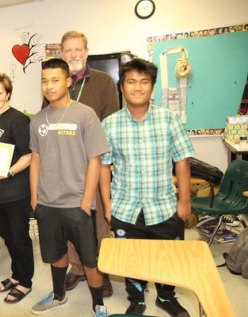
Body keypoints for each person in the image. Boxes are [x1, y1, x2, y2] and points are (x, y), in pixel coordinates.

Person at [99, 58, 194, 317]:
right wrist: (108, 205)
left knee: (169, 257)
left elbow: (182, 161)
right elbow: (104, 167)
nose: (137, 87)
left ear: (152, 87)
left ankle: (166, 297)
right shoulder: (109, 124)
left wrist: (184, 201)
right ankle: (137, 299)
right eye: (131, 82)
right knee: (132, 258)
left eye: (144, 82)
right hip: (125, 206)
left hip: (163, 206)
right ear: (122, 87)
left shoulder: (169, 120)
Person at [29, 58, 109, 316]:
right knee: (55, 253)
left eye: (54, 80)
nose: (49, 86)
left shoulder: (85, 114)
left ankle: (99, 305)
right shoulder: (37, 120)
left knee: (89, 259)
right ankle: (59, 294)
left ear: (67, 81)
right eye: (44, 80)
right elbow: (36, 159)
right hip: (47, 203)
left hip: (77, 204)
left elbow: (94, 160)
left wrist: (86, 203)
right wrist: (34, 199)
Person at [43, 31, 119, 295]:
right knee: (70, 218)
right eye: (68, 51)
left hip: (96, 163)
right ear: (61, 54)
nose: (73, 55)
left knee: (98, 222)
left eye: (78, 50)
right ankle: (77, 268)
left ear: (86, 52)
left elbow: (111, 123)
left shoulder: (103, 81)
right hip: (65, 167)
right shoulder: (56, 83)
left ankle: (101, 269)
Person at [0, 72, 34, 303]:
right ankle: (16, 274)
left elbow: (29, 155)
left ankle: (26, 282)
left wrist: (7, 172)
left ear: (8, 94)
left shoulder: (18, 120)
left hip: (14, 191)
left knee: (19, 237)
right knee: (7, 236)